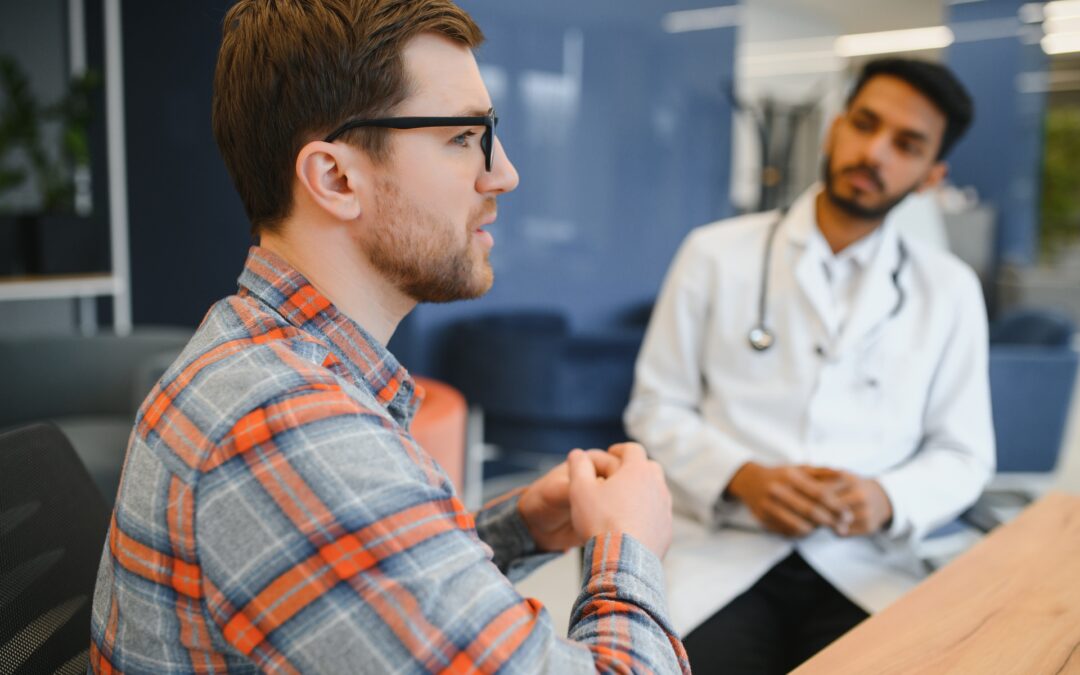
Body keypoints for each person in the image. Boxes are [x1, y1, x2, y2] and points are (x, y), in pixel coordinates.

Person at [89, 2, 688, 672]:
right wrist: (628, 545)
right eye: (463, 137)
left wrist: (518, 528)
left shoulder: (260, 358)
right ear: (336, 178)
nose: (504, 173)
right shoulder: (285, 426)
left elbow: (360, 587)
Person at [624, 57, 994, 674]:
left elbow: (964, 454)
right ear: (834, 128)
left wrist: (885, 497)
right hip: (726, 551)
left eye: (905, 144)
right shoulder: (714, 254)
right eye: (864, 124)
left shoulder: (948, 290)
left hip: (864, 565)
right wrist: (743, 476)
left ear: (932, 175)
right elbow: (655, 408)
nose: (874, 152)